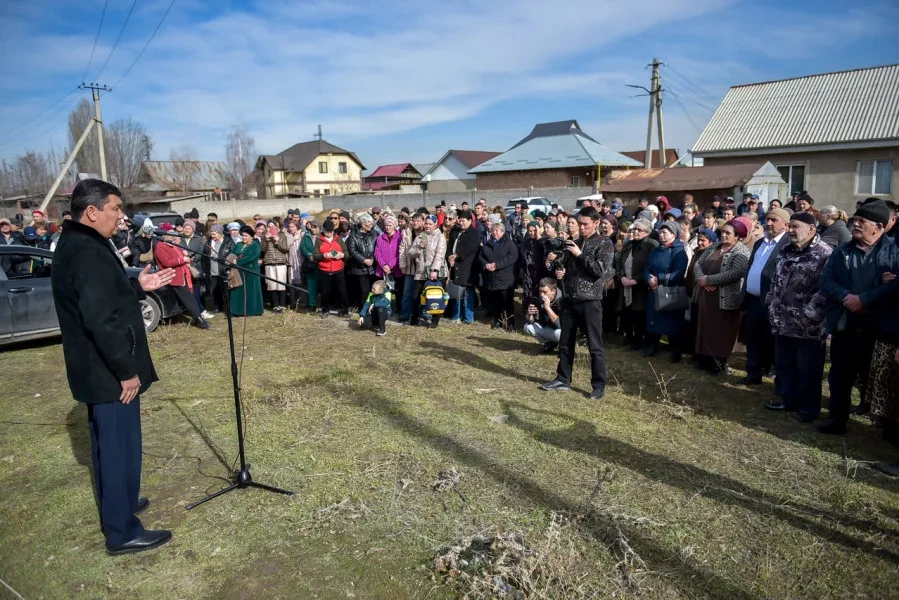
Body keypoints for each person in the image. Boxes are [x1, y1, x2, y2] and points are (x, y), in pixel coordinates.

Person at [50, 179, 176, 555]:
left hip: (97, 367)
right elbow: (101, 319)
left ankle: (119, 502)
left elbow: (106, 292)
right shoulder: (87, 251)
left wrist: (139, 282)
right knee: (118, 444)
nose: (122, 217)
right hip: (106, 370)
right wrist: (126, 370)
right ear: (92, 211)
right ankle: (122, 532)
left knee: (112, 444)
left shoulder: (81, 243)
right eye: (115, 208)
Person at [818, 200, 898, 434]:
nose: (856, 224)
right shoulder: (843, 250)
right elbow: (826, 282)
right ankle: (837, 419)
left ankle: (884, 425)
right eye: (855, 220)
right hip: (846, 322)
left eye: (862, 221)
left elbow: (896, 287)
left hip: (880, 327)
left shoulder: (895, 252)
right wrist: (848, 298)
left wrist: (866, 300)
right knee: (840, 375)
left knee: (877, 378)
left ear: (880, 226)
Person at [763, 213, 833, 422]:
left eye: (796, 227)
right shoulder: (786, 251)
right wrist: (771, 305)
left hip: (808, 325)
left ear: (811, 229)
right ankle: (788, 399)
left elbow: (825, 290)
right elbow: (776, 281)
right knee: (784, 364)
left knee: (808, 368)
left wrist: (809, 316)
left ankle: (809, 408)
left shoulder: (825, 254)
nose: (791, 231)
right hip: (782, 320)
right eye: (790, 226)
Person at [541, 207, 614, 400]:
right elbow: (563, 265)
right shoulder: (575, 242)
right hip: (570, 299)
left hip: (590, 301)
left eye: (585, 224)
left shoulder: (605, 243)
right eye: (579, 224)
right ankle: (563, 378)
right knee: (565, 343)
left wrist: (579, 254)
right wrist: (556, 264)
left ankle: (598, 385)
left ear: (596, 223)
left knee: (594, 346)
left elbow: (599, 270)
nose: (581, 228)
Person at [692, 220, 751, 374]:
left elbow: (737, 272)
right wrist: (701, 280)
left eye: (728, 233)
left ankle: (718, 363)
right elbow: (698, 264)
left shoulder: (741, 251)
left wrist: (709, 280)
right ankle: (704, 360)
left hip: (726, 297)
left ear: (737, 236)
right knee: (706, 327)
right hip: (707, 295)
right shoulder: (714, 246)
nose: (723, 235)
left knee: (722, 330)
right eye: (722, 232)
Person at [739, 208, 790, 386]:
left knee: (772, 340)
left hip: (773, 301)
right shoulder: (761, 242)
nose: (769, 223)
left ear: (785, 224)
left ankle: (777, 376)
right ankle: (753, 373)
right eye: (767, 219)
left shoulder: (788, 244)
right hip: (754, 299)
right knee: (753, 337)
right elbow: (751, 267)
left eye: (774, 220)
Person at [644, 221, 688, 362]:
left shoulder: (679, 252)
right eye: (660, 232)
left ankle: (675, 352)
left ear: (674, 235)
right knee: (653, 319)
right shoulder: (656, 250)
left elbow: (678, 273)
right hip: (654, 290)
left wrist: (660, 279)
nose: (661, 235)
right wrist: (649, 279)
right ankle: (652, 346)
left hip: (670, 292)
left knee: (672, 322)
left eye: (665, 232)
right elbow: (647, 267)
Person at [153, 225, 210, 329]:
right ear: (164, 235)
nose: (172, 235)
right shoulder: (160, 246)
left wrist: (188, 258)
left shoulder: (173, 245)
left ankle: (198, 319)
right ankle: (199, 320)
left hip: (183, 275)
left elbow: (182, 257)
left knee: (190, 298)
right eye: (170, 233)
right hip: (174, 277)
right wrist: (183, 259)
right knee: (189, 299)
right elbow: (167, 262)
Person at [616, 219, 658, 352]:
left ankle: (640, 339)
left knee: (639, 313)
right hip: (626, 284)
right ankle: (629, 336)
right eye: (634, 229)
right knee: (627, 311)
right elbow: (619, 262)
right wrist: (621, 276)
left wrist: (637, 280)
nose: (635, 231)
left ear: (647, 232)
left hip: (642, 286)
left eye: (639, 230)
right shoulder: (628, 244)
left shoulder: (652, 245)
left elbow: (651, 266)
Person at [408, 215, 447, 327]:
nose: (427, 226)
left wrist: (434, 270)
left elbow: (440, 255)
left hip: (436, 272)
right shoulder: (420, 236)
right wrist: (418, 247)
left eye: (430, 224)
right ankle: (415, 318)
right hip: (421, 272)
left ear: (435, 225)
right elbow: (410, 254)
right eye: (426, 223)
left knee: (436, 296)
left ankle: (435, 320)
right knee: (416, 296)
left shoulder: (440, 237)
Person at [478, 221, 518, 331]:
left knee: (507, 303)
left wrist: (497, 265)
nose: (494, 232)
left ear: (502, 232)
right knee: (495, 302)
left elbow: (512, 257)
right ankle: (497, 321)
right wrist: (486, 265)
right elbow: (481, 256)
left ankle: (510, 324)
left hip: (505, 279)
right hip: (492, 278)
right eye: (493, 230)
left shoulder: (509, 244)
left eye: (497, 230)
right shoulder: (488, 243)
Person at [447, 209, 481, 324]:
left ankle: (468, 317)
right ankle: (456, 315)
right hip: (455, 265)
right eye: (459, 221)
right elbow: (450, 246)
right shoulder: (455, 231)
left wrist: (457, 256)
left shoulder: (475, 233)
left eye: (463, 221)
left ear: (470, 221)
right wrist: (449, 256)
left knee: (467, 292)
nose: (461, 223)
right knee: (456, 291)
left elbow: (471, 248)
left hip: (468, 266)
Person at [313, 217, 348, 318]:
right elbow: (315, 255)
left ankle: (344, 310)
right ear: (323, 230)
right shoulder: (319, 241)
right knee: (325, 292)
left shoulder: (339, 239)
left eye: (331, 231)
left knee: (341, 291)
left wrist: (342, 255)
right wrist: (323, 256)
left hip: (338, 269)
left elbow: (346, 254)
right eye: (327, 231)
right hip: (324, 270)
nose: (329, 232)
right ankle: (325, 310)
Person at [229, 226, 264, 317]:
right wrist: (231, 259)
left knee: (250, 292)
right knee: (238, 291)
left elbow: (251, 257)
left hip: (251, 271)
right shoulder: (238, 244)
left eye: (246, 236)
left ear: (251, 237)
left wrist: (238, 261)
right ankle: (237, 311)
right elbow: (232, 253)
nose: (244, 238)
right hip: (238, 271)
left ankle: (251, 310)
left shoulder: (255, 245)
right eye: (243, 236)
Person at [398, 212, 425, 322]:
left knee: (422, 293)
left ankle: (422, 314)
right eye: (414, 220)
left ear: (423, 222)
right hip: (409, 268)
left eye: (418, 220)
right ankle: (405, 314)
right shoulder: (408, 233)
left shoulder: (426, 233)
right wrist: (402, 265)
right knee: (407, 293)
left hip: (421, 269)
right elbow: (402, 250)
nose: (415, 223)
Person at [348, 213, 378, 309]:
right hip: (360, 268)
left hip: (373, 267)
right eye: (369, 222)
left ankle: (374, 309)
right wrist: (363, 260)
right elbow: (352, 250)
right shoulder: (353, 235)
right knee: (363, 292)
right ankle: (364, 312)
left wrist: (373, 259)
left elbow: (377, 247)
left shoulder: (374, 234)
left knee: (374, 290)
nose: (371, 224)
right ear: (363, 224)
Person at [524, 277, 562, 353]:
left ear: (553, 291)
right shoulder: (537, 299)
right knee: (527, 327)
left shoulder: (563, 300)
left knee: (559, 333)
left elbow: (560, 326)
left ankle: (563, 346)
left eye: (545, 292)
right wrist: (529, 314)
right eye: (540, 291)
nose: (542, 294)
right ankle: (549, 343)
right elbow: (531, 322)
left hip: (560, 331)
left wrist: (548, 308)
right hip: (547, 327)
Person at [373, 215, 402, 311]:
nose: (388, 227)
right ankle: (383, 307)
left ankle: (398, 308)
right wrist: (384, 265)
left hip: (396, 269)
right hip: (382, 269)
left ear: (394, 226)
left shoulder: (400, 237)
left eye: (390, 225)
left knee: (398, 290)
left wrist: (390, 265)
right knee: (383, 290)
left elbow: (400, 253)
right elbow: (377, 253)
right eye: (386, 225)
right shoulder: (380, 238)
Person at [261, 221, 290, 313]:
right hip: (269, 262)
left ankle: (282, 305)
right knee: (271, 285)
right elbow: (263, 249)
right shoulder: (264, 236)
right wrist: (266, 240)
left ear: (276, 226)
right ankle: (275, 305)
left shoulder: (282, 235)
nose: (270, 228)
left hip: (280, 262)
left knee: (281, 285)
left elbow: (285, 249)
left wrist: (277, 241)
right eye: (268, 227)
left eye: (272, 226)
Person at [520, 221, 546, 313]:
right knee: (528, 289)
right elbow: (523, 256)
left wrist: (539, 236)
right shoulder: (526, 242)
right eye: (530, 231)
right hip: (528, 271)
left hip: (539, 271)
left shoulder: (542, 241)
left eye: (534, 230)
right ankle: (528, 309)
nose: (532, 233)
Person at [206, 224, 228, 314]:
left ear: (220, 233)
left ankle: (226, 307)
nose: (212, 236)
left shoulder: (227, 242)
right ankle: (217, 307)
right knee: (215, 290)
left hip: (223, 270)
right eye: (211, 234)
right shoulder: (209, 242)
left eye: (214, 234)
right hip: (213, 270)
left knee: (225, 290)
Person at [300, 220, 320, 311]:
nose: (314, 229)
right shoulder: (306, 236)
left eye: (316, 227)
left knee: (322, 284)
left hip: (321, 263)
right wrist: (309, 255)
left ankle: (323, 303)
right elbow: (302, 247)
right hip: (310, 264)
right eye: (312, 227)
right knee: (311, 285)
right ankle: (312, 304)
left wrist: (318, 256)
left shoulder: (322, 236)